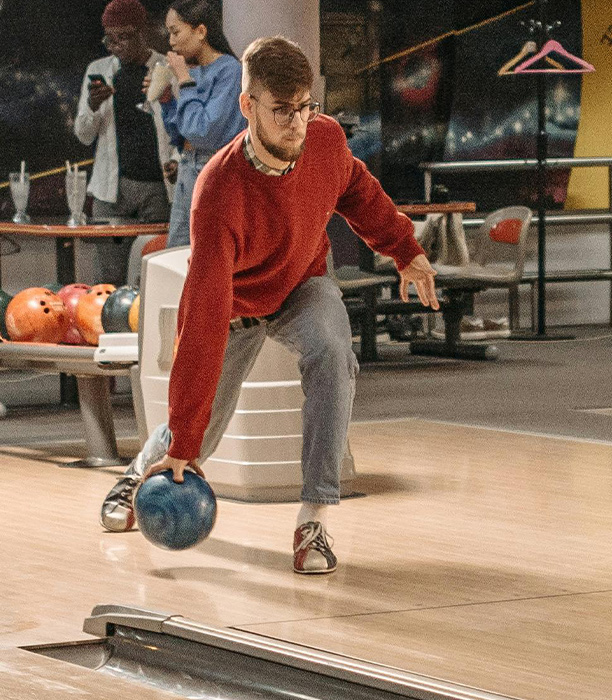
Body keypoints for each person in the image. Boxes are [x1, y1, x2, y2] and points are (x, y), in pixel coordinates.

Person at [98, 36, 441, 575]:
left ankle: (314, 521)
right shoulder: (218, 191)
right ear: (248, 106)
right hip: (234, 306)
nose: (297, 123)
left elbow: (357, 190)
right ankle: (140, 471)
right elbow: (203, 318)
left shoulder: (326, 141)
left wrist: (405, 250)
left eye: (304, 107)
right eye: (281, 110)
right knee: (197, 439)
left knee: (332, 350)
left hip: (303, 285)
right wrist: (185, 441)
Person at [73, 0, 175, 286]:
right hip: (111, 190)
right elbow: (83, 135)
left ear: (142, 31)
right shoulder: (99, 69)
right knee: (109, 279)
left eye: (125, 36)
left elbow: (179, 128)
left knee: (153, 274)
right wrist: (93, 107)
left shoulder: (165, 67)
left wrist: (176, 161)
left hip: (158, 189)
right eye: (110, 38)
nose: (116, 45)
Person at [156, 0, 244, 247]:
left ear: (201, 31)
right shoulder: (194, 72)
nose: (171, 42)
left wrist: (183, 80)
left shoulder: (230, 71)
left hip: (214, 170)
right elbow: (180, 134)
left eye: (175, 32)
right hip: (188, 166)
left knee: (207, 253)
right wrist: (166, 101)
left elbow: (204, 132)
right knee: (177, 254)